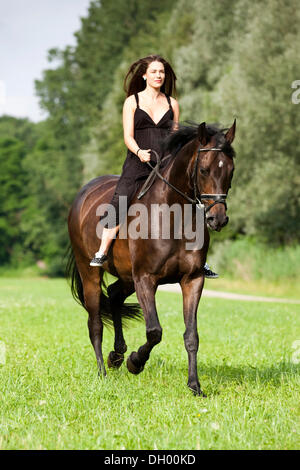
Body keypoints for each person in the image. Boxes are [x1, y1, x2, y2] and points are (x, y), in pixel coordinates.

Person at [90, 54, 218, 279]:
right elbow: (128, 136)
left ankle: (201, 259)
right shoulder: (133, 102)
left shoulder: (172, 103)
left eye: (162, 72)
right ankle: (102, 250)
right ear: (144, 75)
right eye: (154, 72)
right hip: (138, 162)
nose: (159, 76)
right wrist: (139, 152)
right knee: (121, 198)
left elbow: (175, 136)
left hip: (166, 163)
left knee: (194, 201)